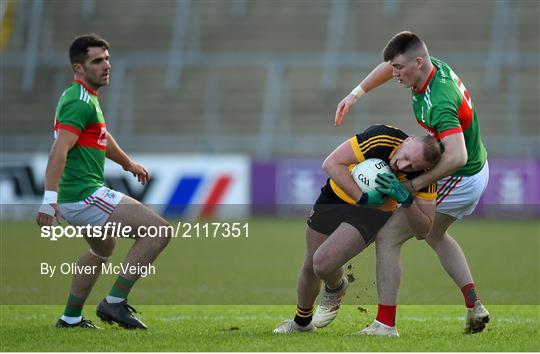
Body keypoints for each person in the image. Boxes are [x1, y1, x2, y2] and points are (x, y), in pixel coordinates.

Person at [334, 31, 490, 335]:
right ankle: (474, 305)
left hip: (459, 174)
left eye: (399, 69)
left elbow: (455, 156)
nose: (394, 74)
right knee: (435, 236)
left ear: (418, 63)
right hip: (475, 168)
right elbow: (390, 65)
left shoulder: (439, 101)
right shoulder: (428, 69)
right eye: (394, 67)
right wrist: (355, 94)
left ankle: (385, 324)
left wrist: (414, 185)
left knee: (388, 237)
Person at [36, 34, 171, 330]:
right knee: (158, 231)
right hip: (83, 195)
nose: (106, 65)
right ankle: (114, 303)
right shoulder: (78, 101)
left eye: (107, 59)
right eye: (97, 61)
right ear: (79, 68)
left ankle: (70, 318)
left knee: (102, 249)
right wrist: (49, 199)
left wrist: (128, 163)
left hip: (78, 196)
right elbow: (59, 149)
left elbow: (100, 137)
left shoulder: (84, 98)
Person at [273, 124, 441, 336]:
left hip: (372, 214)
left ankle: (335, 287)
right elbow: (331, 164)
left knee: (322, 265)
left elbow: (423, 230)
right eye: (405, 156)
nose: (401, 165)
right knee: (310, 262)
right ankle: (302, 323)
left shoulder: (426, 178)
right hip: (335, 197)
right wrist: (362, 197)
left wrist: (406, 200)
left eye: (411, 166)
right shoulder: (383, 137)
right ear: (407, 141)